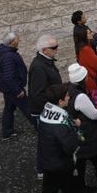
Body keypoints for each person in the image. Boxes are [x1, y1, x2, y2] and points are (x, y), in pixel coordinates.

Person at [67, 64, 97, 191]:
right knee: (82, 158)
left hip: (77, 128)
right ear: (83, 79)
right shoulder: (80, 96)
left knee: (90, 152)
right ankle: (81, 187)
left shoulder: (70, 89)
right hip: (84, 130)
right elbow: (94, 115)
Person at [29, 34, 63, 179]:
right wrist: (53, 108)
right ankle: (42, 169)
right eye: (54, 47)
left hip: (49, 108)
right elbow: (37, 95)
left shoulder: (45, 61)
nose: (57, 49)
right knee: (45, 141)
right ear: (44, 50)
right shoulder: (39, 67)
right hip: (44, 111)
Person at [37, 83, 80, 193]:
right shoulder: (60, 124)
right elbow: (70, 146)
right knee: (68, 187)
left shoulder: (45, 112)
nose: (69, 97)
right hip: (61, 165)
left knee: (49, 187)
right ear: (60, 102)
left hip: (47, 161)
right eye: (66, 96)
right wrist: (75, 131)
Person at [0, 31, 37, 140]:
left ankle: (7, 133)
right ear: (12, 42)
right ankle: (42, 129)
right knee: (28, 108)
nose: (19, 40)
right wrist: (18, 90)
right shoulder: (8, 55)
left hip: (8, 88)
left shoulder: (4, 52)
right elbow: (8, 77)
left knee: (9, 108)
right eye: (17, 39)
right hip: (14, 89)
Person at [75, 25, 97, 92]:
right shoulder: (86, 49)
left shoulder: (82, 47)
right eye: (89, 33)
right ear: (84, 36)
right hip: (91, 79)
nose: (91, 34)